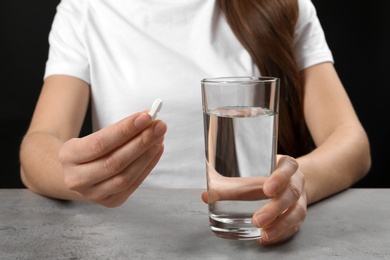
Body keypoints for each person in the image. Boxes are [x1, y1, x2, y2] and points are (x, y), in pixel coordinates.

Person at [19, 0, 371, 245]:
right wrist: (79, 175)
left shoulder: (285, 5)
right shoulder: (85, 8)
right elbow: (39, 146)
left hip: (256, 230)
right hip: (133, 235)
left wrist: (298, 181)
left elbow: (351, 141)